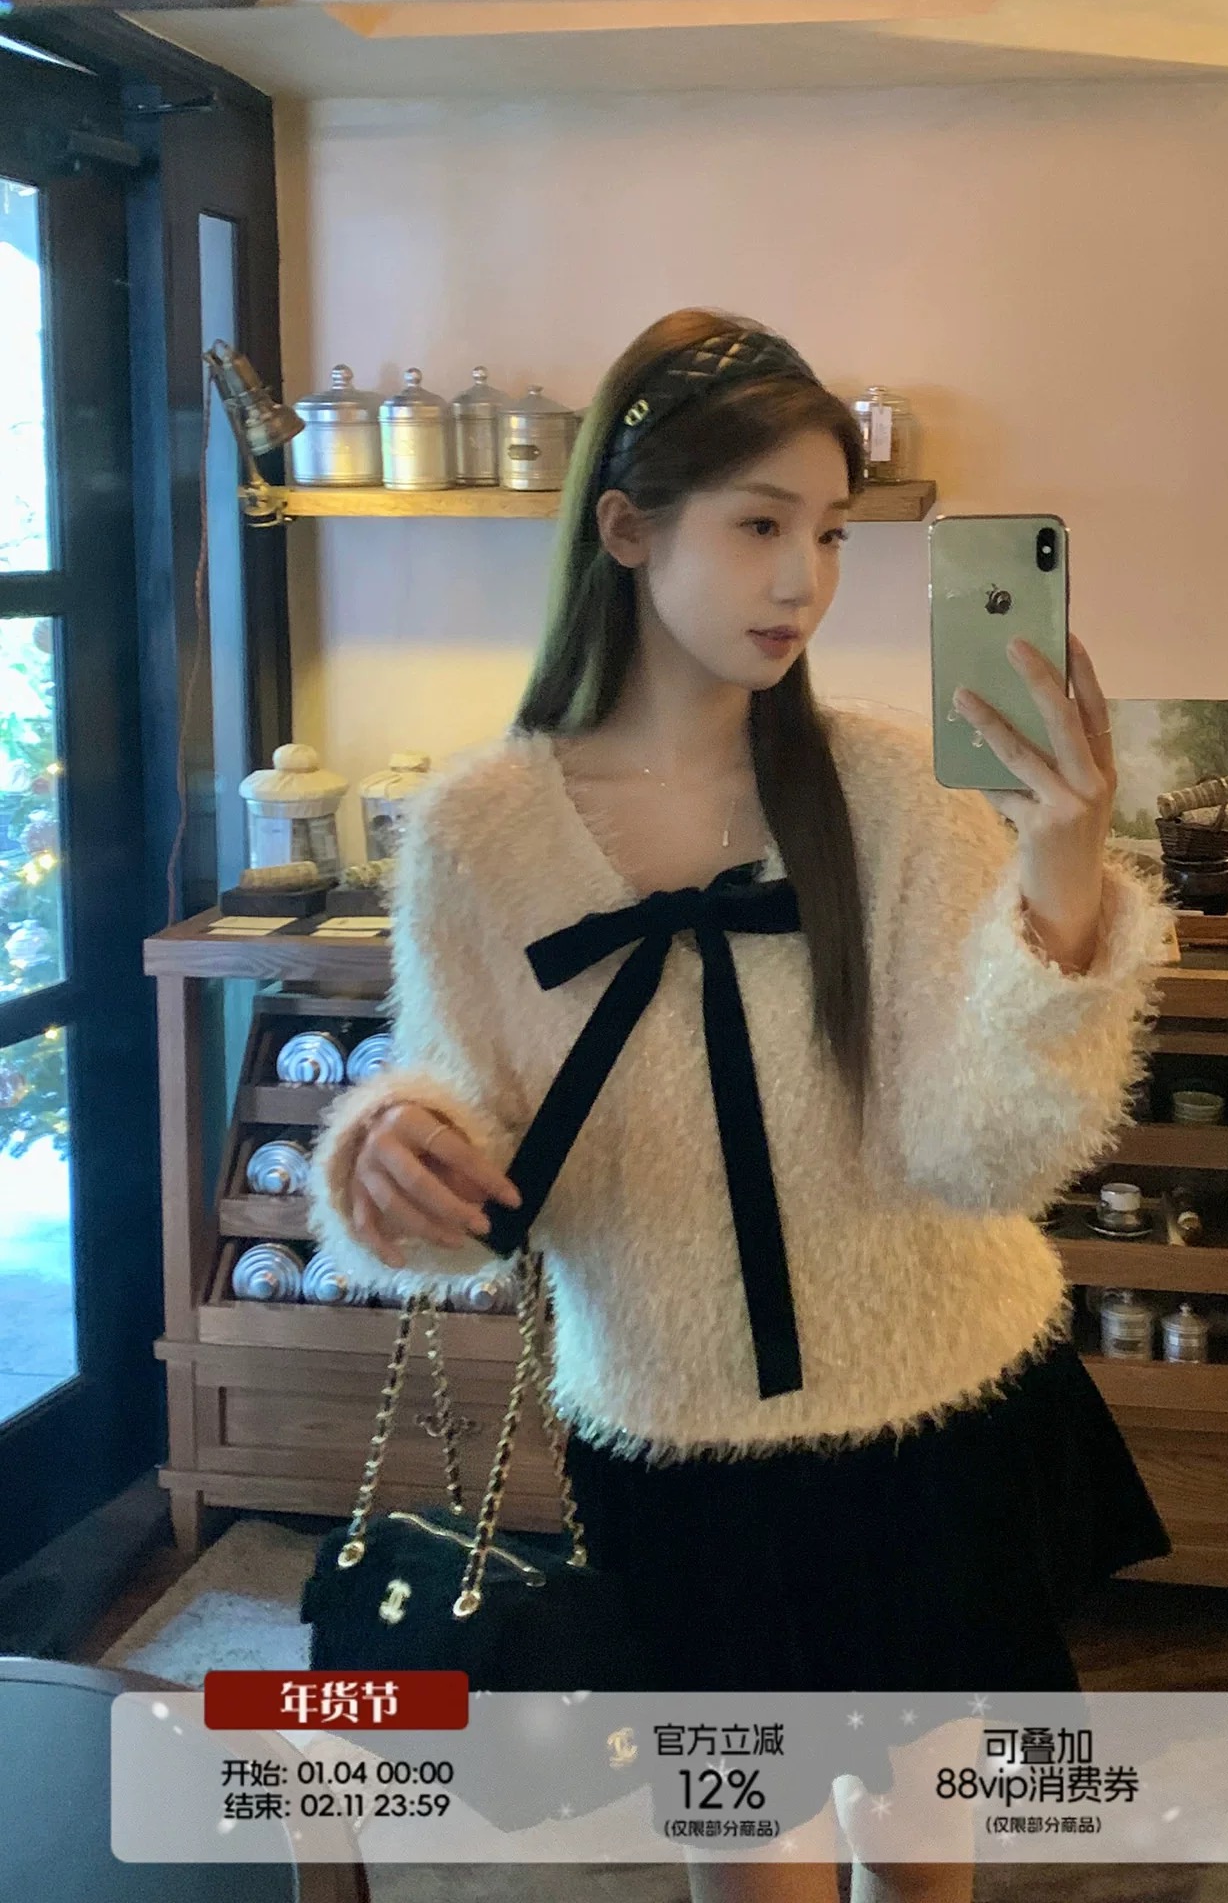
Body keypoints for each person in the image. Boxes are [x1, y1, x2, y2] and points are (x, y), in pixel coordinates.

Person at [307, 307, 1176, 1903]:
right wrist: (387, 1151)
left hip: (934, 1412)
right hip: (677, 1439)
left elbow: (984, 1152)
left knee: (919, 1872)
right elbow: (463, 1119)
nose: (807, 581)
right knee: (750, 1873)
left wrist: (1062, 890)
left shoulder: (890, 795)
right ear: (628, 531)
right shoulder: (476, 835)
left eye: (831, 532)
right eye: (762, 525)